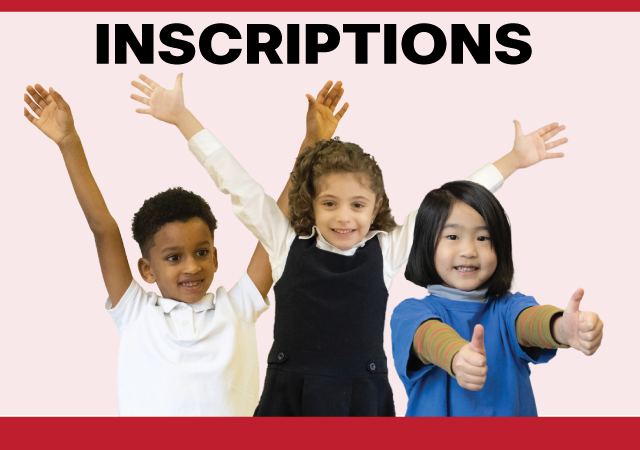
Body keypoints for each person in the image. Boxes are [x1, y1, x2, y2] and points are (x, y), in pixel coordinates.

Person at [131, 72, 568, 416]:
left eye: (357, 204)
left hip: (362, 398)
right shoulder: (284, 242)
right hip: (290, 397)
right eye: (329, 203)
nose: (344, 217)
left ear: (376, 205)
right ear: (312, 204)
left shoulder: (387, 249)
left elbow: (454, 205)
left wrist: (512, 161)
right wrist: (182, 119)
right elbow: (236, 184)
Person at [23, 79, 344, 416]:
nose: (192, 266)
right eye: (174, 257)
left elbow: (279, 223)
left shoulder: (237, 308)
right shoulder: (135, 313)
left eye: (202, 252)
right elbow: (103, 227)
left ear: (216, 257)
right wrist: (69, 142)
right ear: (147, 269)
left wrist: (312, 142)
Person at [391, 180, 604, 416]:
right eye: (452, 236)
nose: (469, 251)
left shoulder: (509, 308)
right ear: (425, 245)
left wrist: (561, 328)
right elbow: (427, 337)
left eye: (483, 238)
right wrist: (455, 354)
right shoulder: (409, 313)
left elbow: (530, 322)